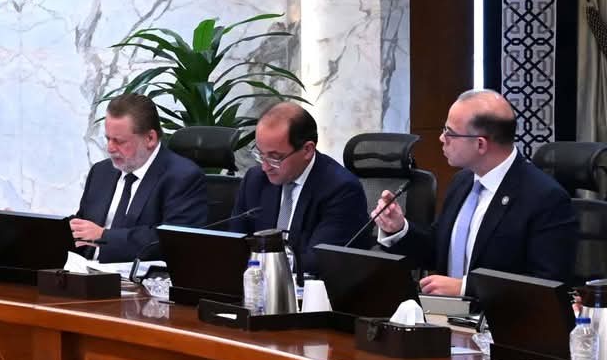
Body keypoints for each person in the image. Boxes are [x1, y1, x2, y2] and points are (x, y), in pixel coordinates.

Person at [371, 89, 576, 295]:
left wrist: (466, 288)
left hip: (497, 314)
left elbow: (547, 286)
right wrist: (399, 228)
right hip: (442, 312)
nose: (442, 138)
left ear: (480, 144)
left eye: (450, 132)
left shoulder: (545, 198)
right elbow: (438, 249)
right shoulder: (462, 181)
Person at [227, 102, 369, 269]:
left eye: (274, 157)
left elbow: (317, 261)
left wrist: (262, 264)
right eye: (260, 154)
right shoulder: (255, 180)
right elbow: (235, 246)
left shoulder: (341, 190)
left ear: (307, 150)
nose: (265, 167)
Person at [70, 93, 209, 262]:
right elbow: (83, 228)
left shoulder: (182, 178)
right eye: (108, 139)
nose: (110, 148)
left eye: (119, 141)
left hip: (139, 275)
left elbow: (173, 241)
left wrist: (104, 236)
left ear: (150, 138)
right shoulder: (101, 172)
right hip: (83, 272)